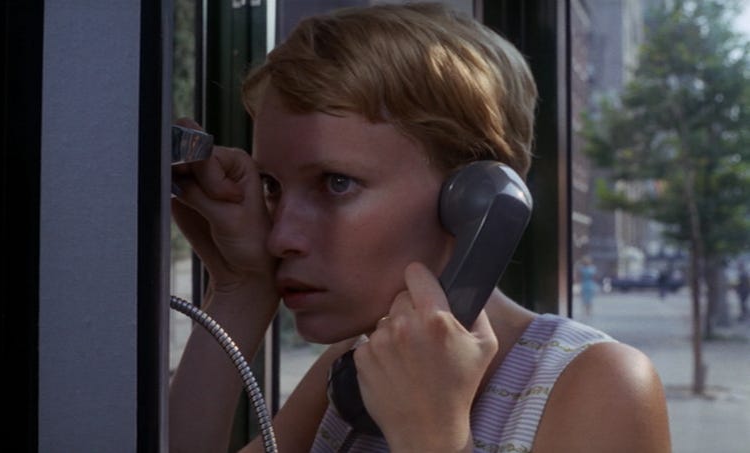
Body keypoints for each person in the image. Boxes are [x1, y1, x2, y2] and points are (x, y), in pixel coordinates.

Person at [168, 3, 671, 452]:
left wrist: (433, 437)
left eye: (336, 183)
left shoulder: (597, 384)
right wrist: (241, 289)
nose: (280, 238)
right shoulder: (359, 370)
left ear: (475, 198)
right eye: (273, 186)